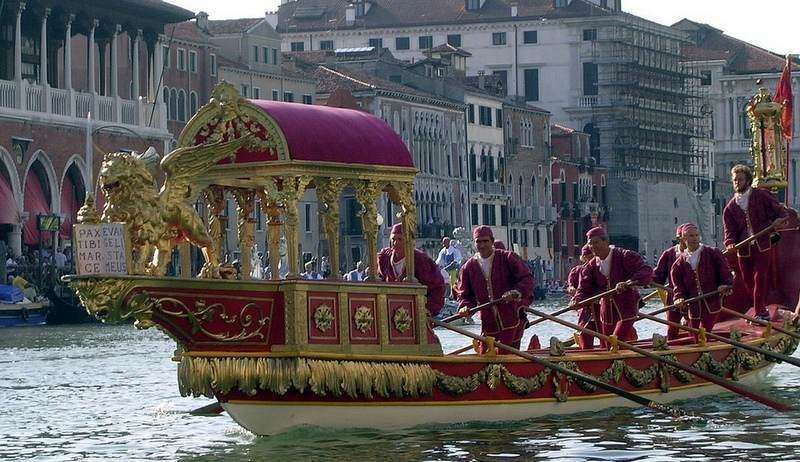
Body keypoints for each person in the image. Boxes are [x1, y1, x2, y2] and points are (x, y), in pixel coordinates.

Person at [723, 164, 788, 321]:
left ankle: (759, 310)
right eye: (735, 180)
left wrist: (780, 219)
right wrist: (730, 243)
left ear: (748, 180)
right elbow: (729, 231)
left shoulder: (761, 195)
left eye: (740, 179)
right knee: (747, 279)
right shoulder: (730, 207)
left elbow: (779, 211)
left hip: (762, 243)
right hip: (743, 248)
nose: (737, 182)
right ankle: (759, 306)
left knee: (760, 276)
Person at [457, 225, 534, 353]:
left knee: (506, 354)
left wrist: (515, 292)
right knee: (486, 353)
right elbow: (465, 294)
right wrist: (465, 307)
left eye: (485, 241)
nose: (482, 245)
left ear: (492, 241)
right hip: (488, 322)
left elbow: (527, 278)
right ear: (474, 243)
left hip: (511, 318)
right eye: (478, 242)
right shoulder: (468, 267)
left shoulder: (508, 257)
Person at [573, 226, 653, 347]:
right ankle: (606, 363)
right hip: (606, 310)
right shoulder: (590, 266)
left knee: (615, 341)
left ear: (606, 241)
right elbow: (583, 288)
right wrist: (577, 300)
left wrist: (629, 282)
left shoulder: (624, 255)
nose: (593, 247)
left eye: (596, 243)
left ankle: (618, 359)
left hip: (626, 307)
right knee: (606, 344)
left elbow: (646, 270)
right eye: (590, 244)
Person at [671, 224, 734, 341]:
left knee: (704, 332)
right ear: (684, 239)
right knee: (694, 335)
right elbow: (677, 286)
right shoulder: (678, 264)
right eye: (691, 236)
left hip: (711, 301)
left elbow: (725, 272)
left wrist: (725, 284)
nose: (695, 238)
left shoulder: (712, 253)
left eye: (696, 235)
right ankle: (697, 353)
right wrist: (678, 297)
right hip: (693, 305)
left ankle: (704, 352)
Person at [377, 223, 445, 316]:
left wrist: (428, 309)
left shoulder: (420, 259)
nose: (395, 243)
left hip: (414, 313)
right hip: (391, 312)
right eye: (393, 239)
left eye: (400, 239)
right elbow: (380, 280)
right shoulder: (385, 258)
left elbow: (438, 286)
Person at [654, 224, 689, 340]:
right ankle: (673, 348)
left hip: (693, 296)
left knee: (694, 325)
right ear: (680, 239)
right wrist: (647, 279)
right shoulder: (669, 254)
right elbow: (658, 276)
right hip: (674, 297)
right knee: (672, 327)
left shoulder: (702, 253)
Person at [567, 244, 599, 349]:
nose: (591, 258)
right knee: (585, 332)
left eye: (592, 256)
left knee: (606, 333)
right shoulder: (577, 271)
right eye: (588, 256)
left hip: (600, 308)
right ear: (583, 257)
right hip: (585, 308)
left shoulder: (601, 268)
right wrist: (572, 290)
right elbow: (571, 286)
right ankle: (586, 351)